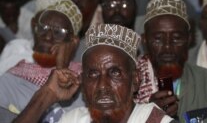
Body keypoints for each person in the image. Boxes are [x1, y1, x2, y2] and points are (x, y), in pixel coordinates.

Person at [12, 23, 177, 123]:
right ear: (82, 82)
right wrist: (46, 95)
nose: (102, 86)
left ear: (135, 80)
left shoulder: (154, 120)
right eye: (93, 74)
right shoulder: (75, 119)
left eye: (115, 73)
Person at [134, 0, 207, 123]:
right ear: (145, 40)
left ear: (188, 40)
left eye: (176, 38)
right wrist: (147, 113)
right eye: (158, 38)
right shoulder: (130, 84)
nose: (167, 47)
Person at [0, 0, 83, 122]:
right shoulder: (10, 80)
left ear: (73, 41)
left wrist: (62, 67)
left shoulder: (84, 81)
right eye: (43, 28)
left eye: (58, 32)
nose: (48, 37)